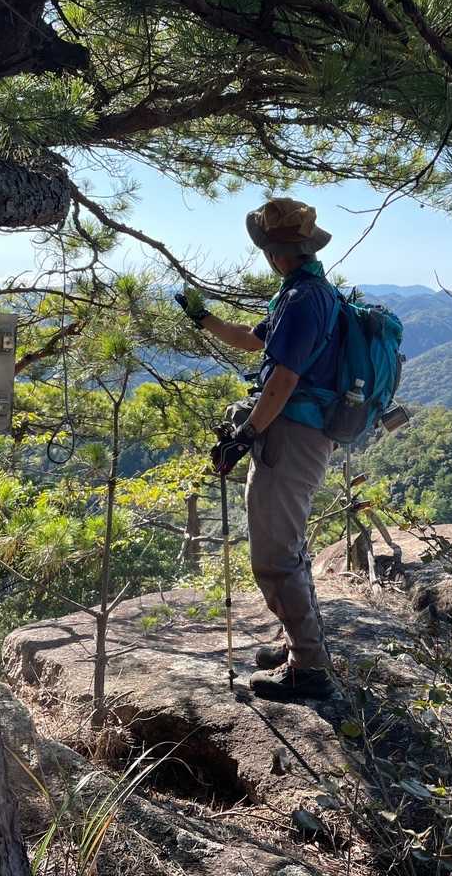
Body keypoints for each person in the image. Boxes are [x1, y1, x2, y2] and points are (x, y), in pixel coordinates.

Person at [175, 197, 342, 701]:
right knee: (287, 545)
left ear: (273, 252)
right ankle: (299, 645)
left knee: (274, 554)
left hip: (291, 436)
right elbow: (252, 341)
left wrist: (246, 434)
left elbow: (284, 378)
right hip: (295, 432)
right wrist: (202, 317)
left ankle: (309, 669)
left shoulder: (303, 299)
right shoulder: (302, 292)